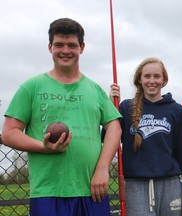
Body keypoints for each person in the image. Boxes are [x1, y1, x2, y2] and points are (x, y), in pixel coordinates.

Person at [2, 18, 122, 216]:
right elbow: (9, 133)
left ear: (82, 47)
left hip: (92, 191)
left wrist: (102, 168)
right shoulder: (31, 87)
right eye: (59, 44)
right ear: (50, 47)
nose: (65, 50)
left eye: (72, 45)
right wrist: (44, 147)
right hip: (48, 192)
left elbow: (115, 126)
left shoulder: (95, 89)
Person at [109, 57, 182, 216]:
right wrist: (111, 107)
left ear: (164, 80)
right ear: (140, 80)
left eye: (157, 76)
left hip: (170, 186)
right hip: (136, 186)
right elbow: (108, 139)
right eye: (147, 76)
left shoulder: (176, 110)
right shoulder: (125, 107)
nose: (152, 81)